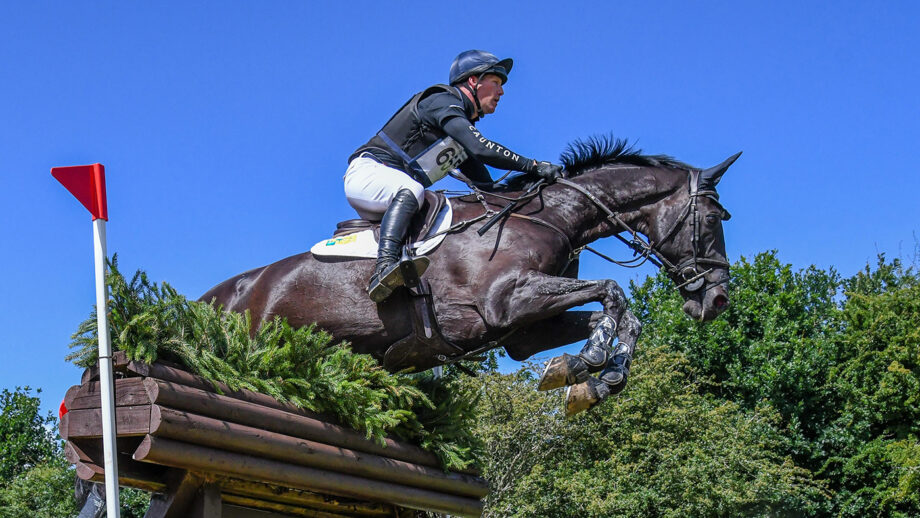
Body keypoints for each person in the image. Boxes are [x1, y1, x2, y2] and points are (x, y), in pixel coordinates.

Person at [346, 49, 564, 303]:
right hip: (368, 173)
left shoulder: (457, 131)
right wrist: (534, 165)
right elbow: (482, 149)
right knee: (413, 191)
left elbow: (488, 188)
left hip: (392, 189)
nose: (501, 92)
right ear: (473, 81)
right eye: (496, 83)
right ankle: (383, 269)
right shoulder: (441, 100)